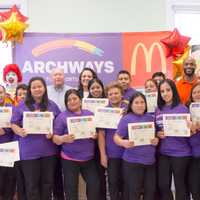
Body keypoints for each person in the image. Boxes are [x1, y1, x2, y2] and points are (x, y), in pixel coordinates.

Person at [11, 76, 61, 200]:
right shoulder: (22, 105)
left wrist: (53, 133)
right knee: (31, 185)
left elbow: (59, 124)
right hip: (28, 152)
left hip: (48, 151)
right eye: (34, 87)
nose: (37, 89)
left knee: (47, 184)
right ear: (30, 90)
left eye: (39, 86)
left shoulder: (52, 105)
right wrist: (19, 131)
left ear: (44, 88)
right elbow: (13, 123)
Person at [53, 89, 100, 200]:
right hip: (69, 159)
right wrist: (62, 138)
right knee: (71, 189)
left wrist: (95, 136)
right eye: (69, 100)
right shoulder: (61, 117)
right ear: (66, 103)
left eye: (74, 98)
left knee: (95, 185)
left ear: (80, 100)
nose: (72, 101)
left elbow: (97, 134)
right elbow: (55, 139)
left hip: (88, 159)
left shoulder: (90, 115)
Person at [114, 92, 159, 200]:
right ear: (131, 105)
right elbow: (116, 137)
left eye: (142, 102)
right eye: (136, 102)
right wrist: (123, 143)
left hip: (150, 162)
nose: (140, 105)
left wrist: (156, 140)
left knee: (150, 191)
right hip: (132, 163)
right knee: (134, 193)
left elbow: (155, 136)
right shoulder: (126, 119)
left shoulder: (150, 118)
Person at [155, 79, 191, 200]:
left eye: (168, 90)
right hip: (164, 153)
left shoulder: (183, 109)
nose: (165, 93)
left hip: (181, 153)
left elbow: (189, 131)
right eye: (162, 91)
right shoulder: (158, 109)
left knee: (180, 185)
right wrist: (158, 133)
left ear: (173, 91)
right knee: (163, 185)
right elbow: (156, 128)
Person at [98, 82, 127, 200]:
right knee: (113, 184)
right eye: (110, 94)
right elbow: (101, 134)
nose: (113, 96)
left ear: (122, 94)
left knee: (127, 185)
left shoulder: (129, 109)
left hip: (128, 154)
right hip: (112, 154)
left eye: (116, 93)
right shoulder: (104, 111)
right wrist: (103, 155)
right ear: (107, 96)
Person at [0, 85, 16, 200]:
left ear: (5, 94)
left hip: (8, 146)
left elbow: (16, 124)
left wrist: (5, 130)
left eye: (0, 92)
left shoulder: (11, 108)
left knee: (9, 178)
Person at [187, 82, 200, 200]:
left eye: (199, 92)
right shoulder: (187, 111)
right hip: (193, 155)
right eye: (194, 92)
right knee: (195, 189)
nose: (197, 95)